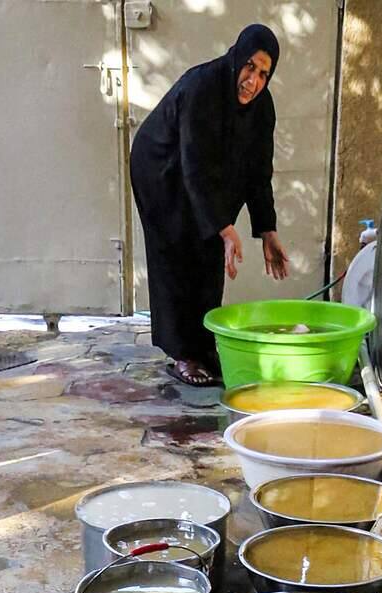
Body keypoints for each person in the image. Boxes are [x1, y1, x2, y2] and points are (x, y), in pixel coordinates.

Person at [130, 23, 290, 387]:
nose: (253, 81)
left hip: (201, 175)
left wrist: (267, 230)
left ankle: (203, 347)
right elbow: (194, 164)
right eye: (250, 67)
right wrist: (224, 226)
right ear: (237, 58)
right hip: (160, 167)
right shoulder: (202, 87)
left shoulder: (263, 108)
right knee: (176, 250)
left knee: (208, 252)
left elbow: (258, 172)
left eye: (263, 74)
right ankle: (182, 354)